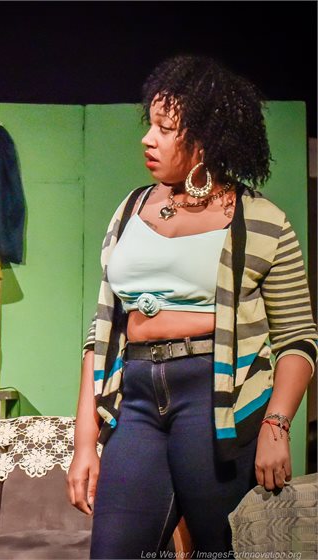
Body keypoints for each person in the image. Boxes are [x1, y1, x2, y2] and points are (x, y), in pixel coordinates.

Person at [67, 55, 317, 558]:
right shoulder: (129, 210)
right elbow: (102, 332)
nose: (148, 139)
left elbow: (298, 340)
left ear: (205, 137)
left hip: (214, 398)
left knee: (220, 549)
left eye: (165, 129)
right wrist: (83, 441)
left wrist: (276, 425)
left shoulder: (262, 220)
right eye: (150, 125)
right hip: (136, 397)